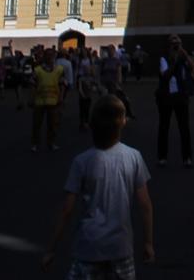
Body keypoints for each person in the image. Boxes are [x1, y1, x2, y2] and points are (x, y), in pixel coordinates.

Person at [42, 93, 154, 278]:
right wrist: (148, 242)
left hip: (89, 247)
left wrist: (51, 248)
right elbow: (145, 204)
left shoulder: (81, 161)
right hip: (120, 247)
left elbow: (67, 209)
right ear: (123, 122)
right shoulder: (134, 157)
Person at [154, 37, 194, 169]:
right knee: (164, 127)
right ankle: (162, 157)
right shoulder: (164, 59)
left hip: (180, 96)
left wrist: (183, 53)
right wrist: (175, 61)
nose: (176, 47)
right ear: (168, 46)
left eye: (178, 43)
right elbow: (165, 75)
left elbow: (193, 68)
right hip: (166, 97)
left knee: (184, 128)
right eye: (174, 44)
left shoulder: (183, 58)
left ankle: (187, 158)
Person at [31, 45, 67, 153]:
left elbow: (62, 84)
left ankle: (51, 143)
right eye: (47, 55)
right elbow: (32, 84)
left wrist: (61, 97)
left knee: (52, 124)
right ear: (44, 57)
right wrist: (31, 97)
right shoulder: (37, 70)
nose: (49, 57)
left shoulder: (59, 70)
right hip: (39, 100)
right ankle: (35, 144)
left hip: (54, 100)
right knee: (37, 124)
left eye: (51, 55)